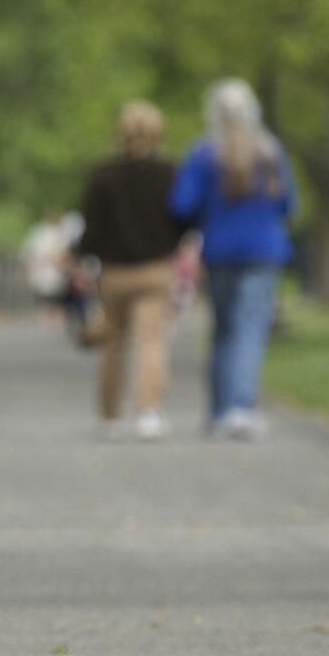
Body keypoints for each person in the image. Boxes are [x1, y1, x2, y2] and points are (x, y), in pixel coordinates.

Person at [170, 78, 295, 440]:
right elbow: (288, 203)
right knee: (249, 328)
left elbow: (180, 204)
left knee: (224, 330)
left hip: (220, 251)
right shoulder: (270, 151)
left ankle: (220, 410)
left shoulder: (202, 153)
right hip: (263, 250)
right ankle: (239, 408)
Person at [77, 100, 183, 440]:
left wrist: (84, 255)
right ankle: (148, 411)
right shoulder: (168, 173)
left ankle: (109, 416)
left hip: (114, 271)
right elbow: (182, 217)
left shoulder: (103, 174)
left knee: (113, 341)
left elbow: (91, 226)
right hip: (155, 268)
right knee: (150, 339)